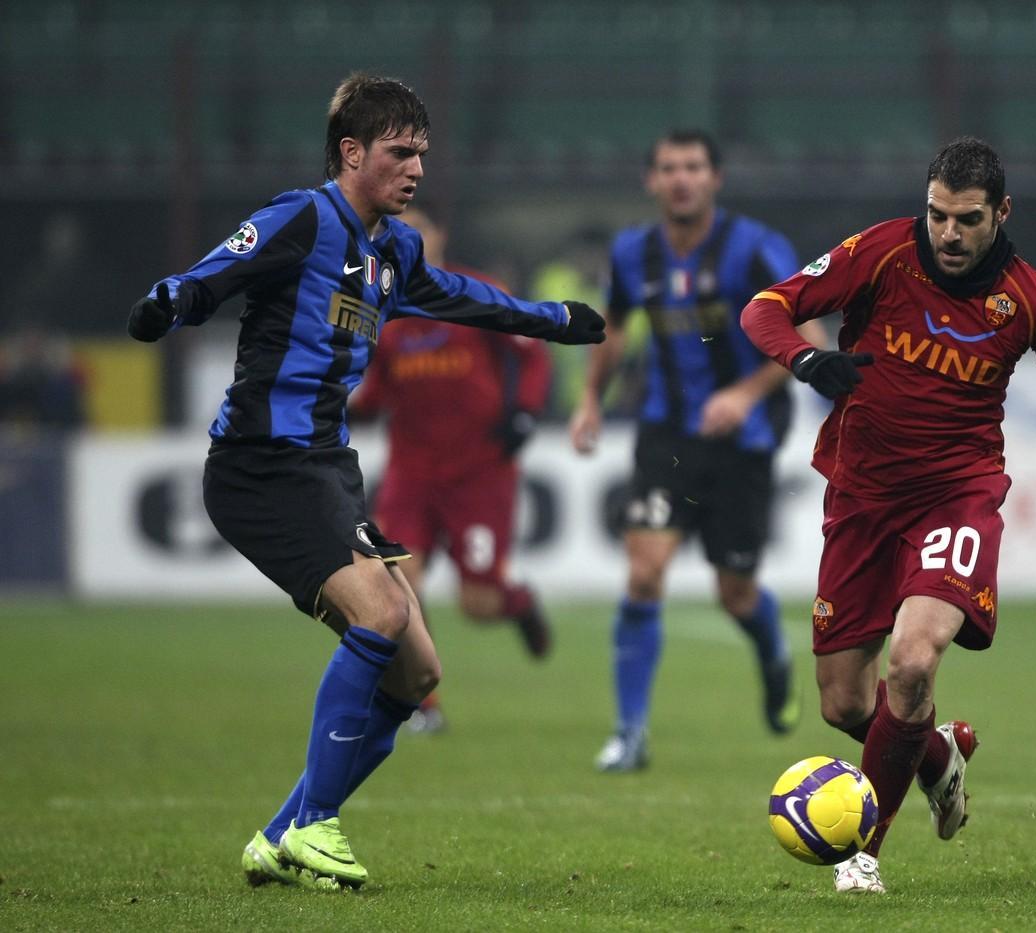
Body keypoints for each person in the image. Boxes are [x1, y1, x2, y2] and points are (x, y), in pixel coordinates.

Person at [125, 73, 604, 890]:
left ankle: (280, 834)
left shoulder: (395, 247)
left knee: (416, 672)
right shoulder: (303, 217)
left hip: (325, 469)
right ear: (352, 153)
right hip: (261, 465)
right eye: (398, 152)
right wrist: (172, 300)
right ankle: (316, 824)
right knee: (383, 611)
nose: (415, 168)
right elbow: (219, 270)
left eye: (421, 153)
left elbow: (461, 298)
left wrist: (551, 320)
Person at [741, 136, 1036, 894]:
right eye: (937, 214)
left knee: (911, 663)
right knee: (844, 702)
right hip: (862, 498)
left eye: (967, 219)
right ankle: (938, 755)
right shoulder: (881, 253)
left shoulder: (1034, 300)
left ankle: (863, 853)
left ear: (1001, 212)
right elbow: (765, 309)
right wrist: (805, 361)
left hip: (957, 497)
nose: (948, 233)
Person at [568, 129, 827, 772]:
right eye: (668, 168)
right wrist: (590, 399)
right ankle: (630, 736)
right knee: (644, 570)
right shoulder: (632, 253)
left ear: (715, 179)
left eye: (693, 167)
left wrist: (743, 393)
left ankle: (772, 652)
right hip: (669, 436)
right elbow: (616, 329)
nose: (681, 178)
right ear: (650, 181)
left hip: (747, 439)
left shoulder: (755, 249)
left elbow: (810, 331)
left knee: (734, 593)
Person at [350, 205, 555, 735]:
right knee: (397, 585)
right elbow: (378, 392)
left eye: (418, 229)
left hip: (479, 472)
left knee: (479, 605)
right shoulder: (379, 307)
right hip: (411, 473)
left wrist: (525, 411)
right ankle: (424, 703)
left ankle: (519, 603)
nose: (407, 240)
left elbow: (531, 352)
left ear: (440, 235)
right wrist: (341, 407)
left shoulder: (473, 291)